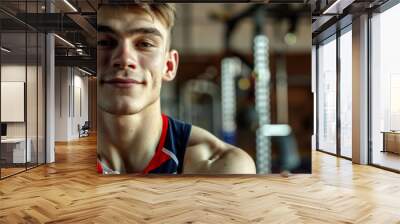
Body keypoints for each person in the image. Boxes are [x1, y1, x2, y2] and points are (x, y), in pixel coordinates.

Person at [97, 3, 256, 174]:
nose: (124, 58)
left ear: (169, 65)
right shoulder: (65, 164)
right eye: (104, 42)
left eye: (145, 44)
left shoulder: (220, 167)